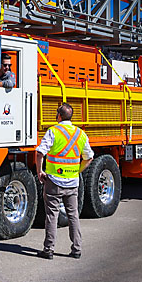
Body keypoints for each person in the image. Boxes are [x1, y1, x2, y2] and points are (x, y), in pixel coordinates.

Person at [35, 102, 93, 259]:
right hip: (72, 182)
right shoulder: (80, 134)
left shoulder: (53, 131)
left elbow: (40, 152)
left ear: (59, 116)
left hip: (54, 181)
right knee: (73, 215)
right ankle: (77, 249)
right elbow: (89, 157)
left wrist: (39, 171)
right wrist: (77, 171)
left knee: (52, 216)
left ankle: (48, 250)